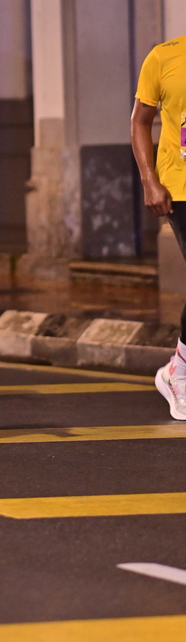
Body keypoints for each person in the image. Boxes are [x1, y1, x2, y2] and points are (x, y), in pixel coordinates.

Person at [131, 34, 186, 420]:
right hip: (181, 186)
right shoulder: (165, 56)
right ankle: (178, 372)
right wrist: (150, 180)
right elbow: (140, 120)